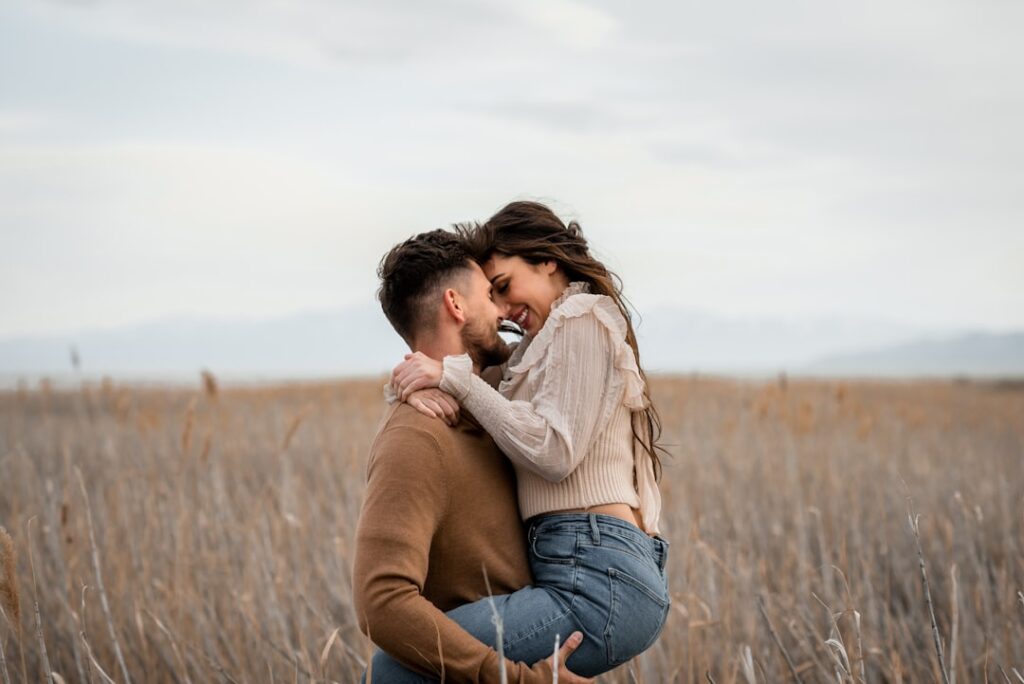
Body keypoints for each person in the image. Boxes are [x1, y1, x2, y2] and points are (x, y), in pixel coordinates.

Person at [388, 201, 670, 679]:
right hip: (580, 567)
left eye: (503, 286)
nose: (502, 310)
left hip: (597, 576)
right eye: (491, 295)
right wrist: (412, 387)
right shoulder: (538, 350)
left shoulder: (581, 317)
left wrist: (453, 380)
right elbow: (473, 385)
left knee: (401, 668)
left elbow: (553, 452)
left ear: (547, 261)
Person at [352, 229, 592, 683]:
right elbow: (381, 602)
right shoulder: (416, 436)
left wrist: (416, 379)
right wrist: (512, 679)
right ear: (456, 305)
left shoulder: (496, 396)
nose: (503, 311)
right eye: (489, 294)